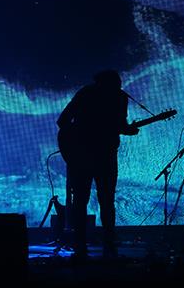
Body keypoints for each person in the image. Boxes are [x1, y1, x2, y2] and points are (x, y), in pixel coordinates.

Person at [57, 70, 139, 258]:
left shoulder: (86, 93)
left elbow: (62, 121)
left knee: (81, 201)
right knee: (106, 201)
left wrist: (74, 143)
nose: (120, 86)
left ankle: (80, 247)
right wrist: (128, 130)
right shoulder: (119, 97)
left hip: (82, 157)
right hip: (104, 157)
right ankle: (109, 246)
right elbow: (120, 126)